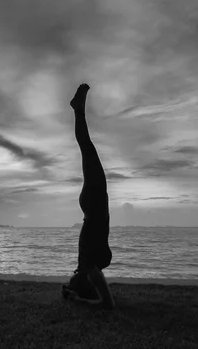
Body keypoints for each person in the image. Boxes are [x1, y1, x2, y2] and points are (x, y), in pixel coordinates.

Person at [62, 83, 115, 310]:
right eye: (71, 283)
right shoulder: (91, 271)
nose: (68, 281)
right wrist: (79, 299)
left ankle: (78, 110)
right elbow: (108, 305)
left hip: (94, 205)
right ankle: (78, 109)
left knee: (87, 147)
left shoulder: (88, 266)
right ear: (82, 284)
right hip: (94, 205)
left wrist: (76, 297)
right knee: (87, 148)